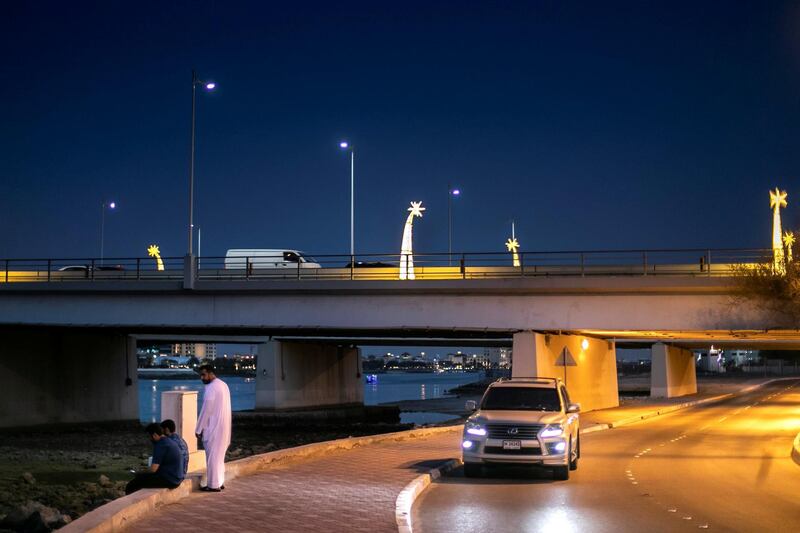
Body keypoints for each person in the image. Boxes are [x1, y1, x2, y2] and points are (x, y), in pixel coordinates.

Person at [196, 363, 232, 492]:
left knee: (212, 458)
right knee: (219, 457)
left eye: (204, 375)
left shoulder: (211, 388)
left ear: (211, 373)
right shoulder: (224, 385)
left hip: (213, 428)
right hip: (224, 428)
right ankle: (219, 481)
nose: (202, 378)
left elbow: (206, 410)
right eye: (200, 375)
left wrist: (198, 429)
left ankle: (213, 485)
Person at [125, 423, 185, 495]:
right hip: (177, 478)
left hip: (171, 480)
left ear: (155, 435)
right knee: (143, 478)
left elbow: (153, 469)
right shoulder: (169, 441)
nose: (150, 439)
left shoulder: (160, 445)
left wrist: (139, 472)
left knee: (132, 485)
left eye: (149, 437)